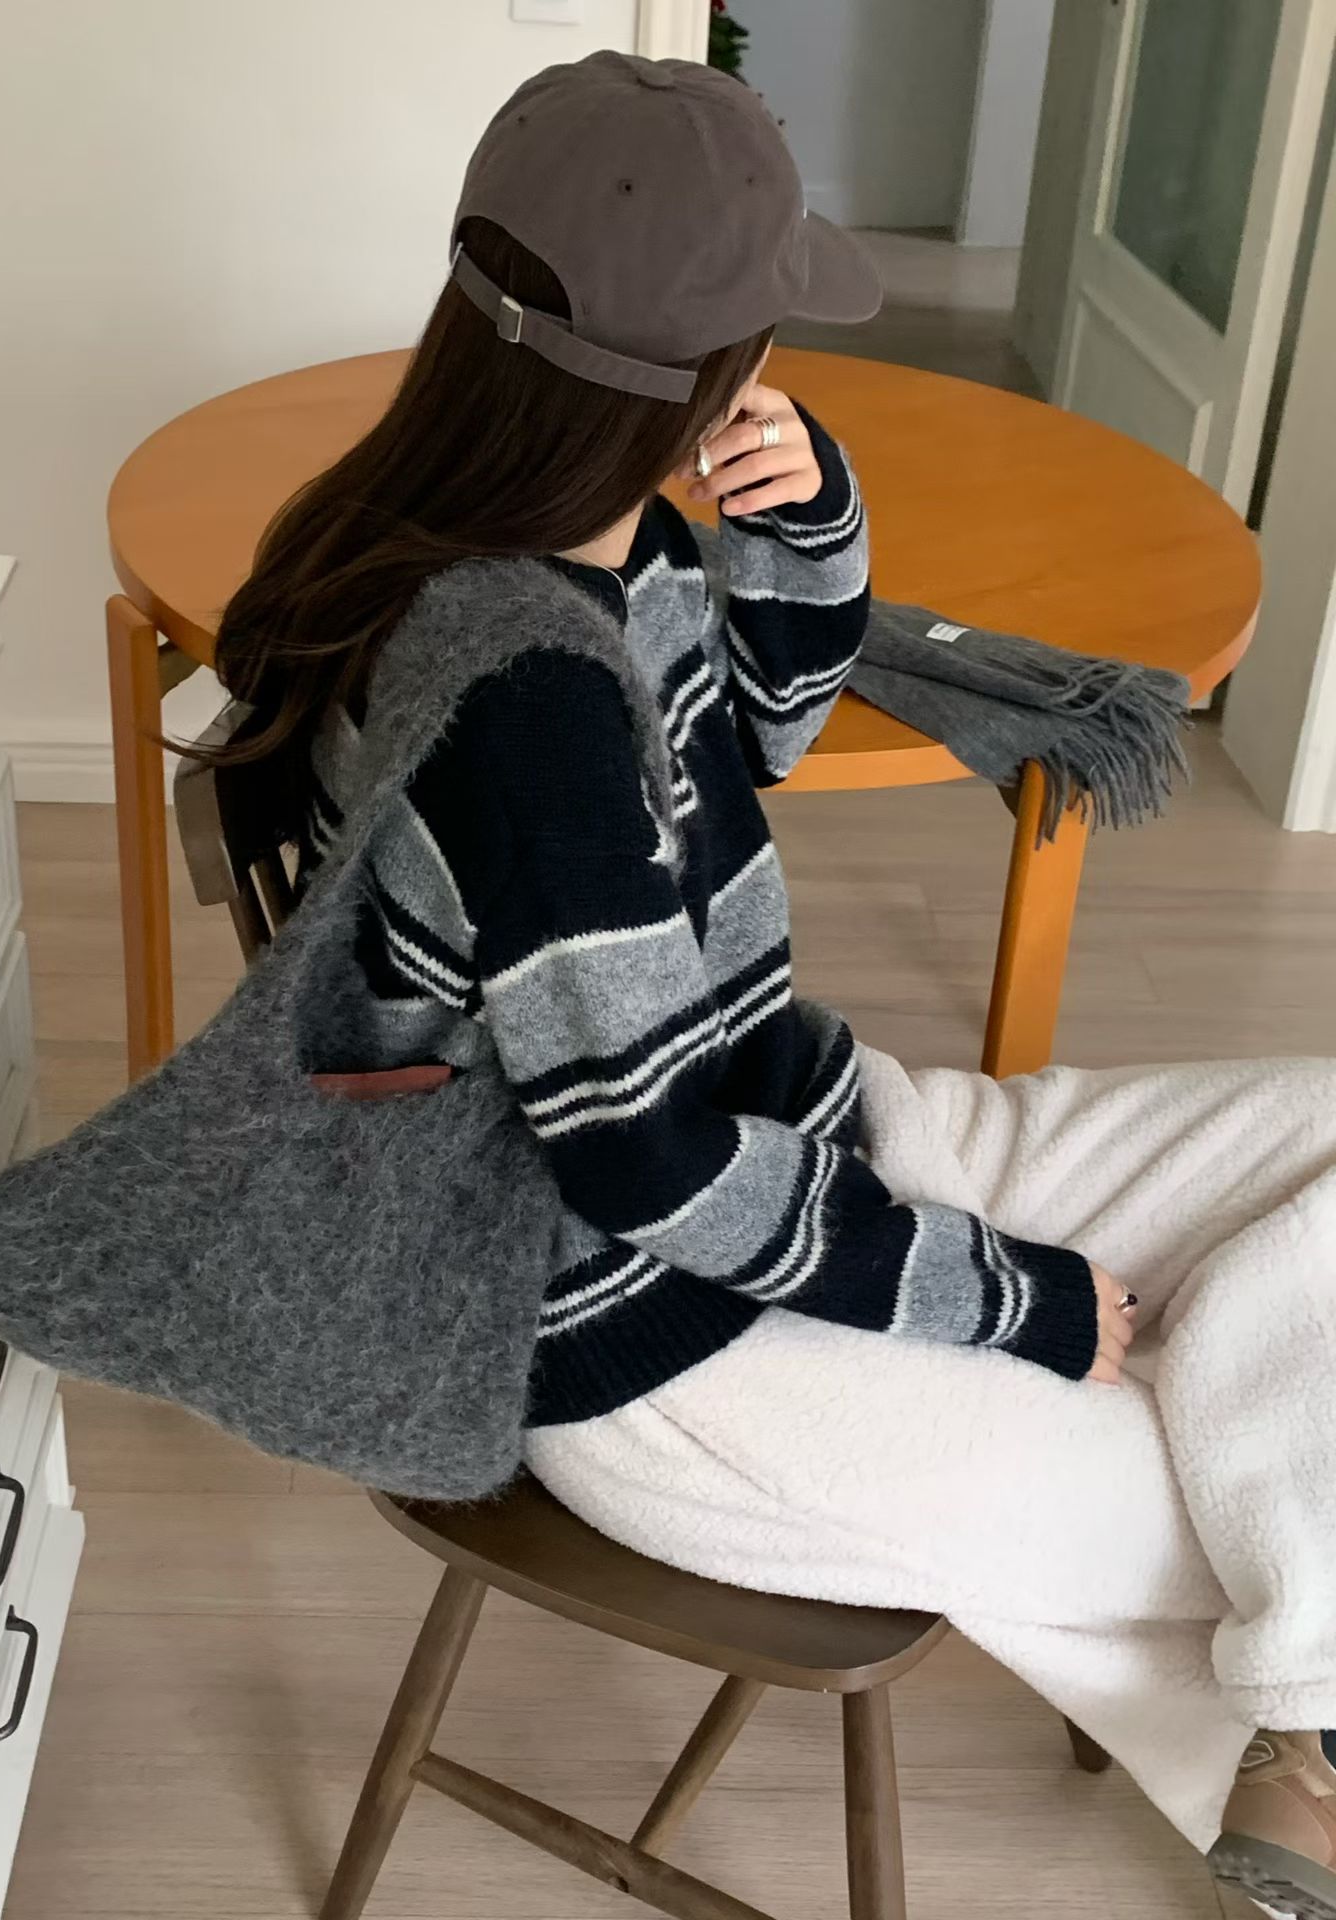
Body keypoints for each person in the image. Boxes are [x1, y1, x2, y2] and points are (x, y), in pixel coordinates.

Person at [210, 53, 1336, 1920]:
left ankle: (1299, 1665)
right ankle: (1310, 1723)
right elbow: (640, 1166)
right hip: (637, 1345)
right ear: (687, 376)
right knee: (1233, 1488)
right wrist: (1015, 1299)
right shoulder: (515, 704)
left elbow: (752, 743)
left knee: (1297, 1258)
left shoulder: (569, 532)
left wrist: (801, 530)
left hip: (796, 1131)